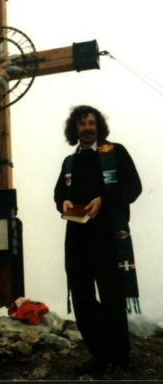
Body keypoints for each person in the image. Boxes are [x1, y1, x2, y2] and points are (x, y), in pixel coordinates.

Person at [54, 105, 142, 376]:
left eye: (92, 123)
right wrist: (63, 202)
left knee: (112, 295)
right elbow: (59, 194)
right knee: (81, 295)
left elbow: (133, 187)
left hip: (108, 236)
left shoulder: (115, 152)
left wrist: (104, 200)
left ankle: (118, 355)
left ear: (98, 126)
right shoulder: (70, 161)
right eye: (82, 124)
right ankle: (99, 353)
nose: (88, 128)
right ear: (75, 129)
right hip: (77, 237)